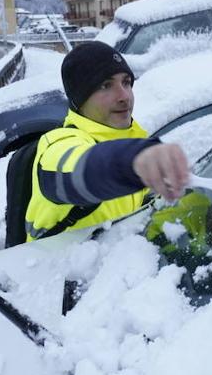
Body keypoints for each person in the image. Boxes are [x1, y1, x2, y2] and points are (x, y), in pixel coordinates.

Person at [24, 41, 190, 242]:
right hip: (49, 271)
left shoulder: (133, 139)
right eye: (106, 85)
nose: (124, 96)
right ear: (80, 99)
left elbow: (145, 219)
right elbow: (78, 171)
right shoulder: (57, 145)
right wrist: (133, 161)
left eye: (126, 82)